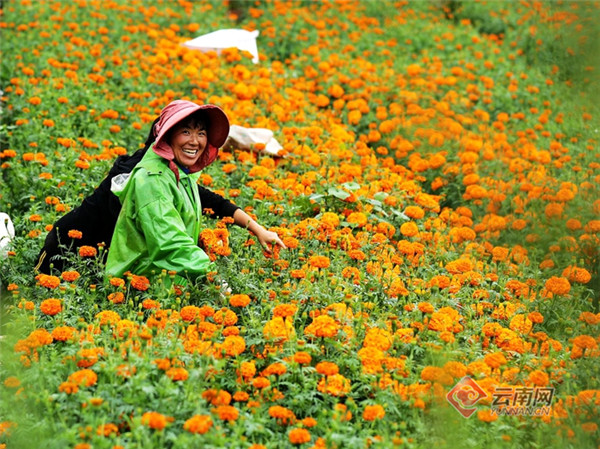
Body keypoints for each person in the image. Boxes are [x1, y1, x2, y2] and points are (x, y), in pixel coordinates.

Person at [35, 100, 285, 280]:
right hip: (67, 254)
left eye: (201, 132)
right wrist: (215, 281)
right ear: (165, 137)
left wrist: (258, 229)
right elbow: (170, 244)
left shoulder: (171, 169)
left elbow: (209, 200)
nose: (195, 141)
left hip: (105, 259)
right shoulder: (150, 177)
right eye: (185, 131)